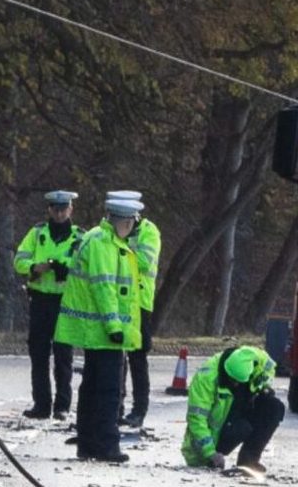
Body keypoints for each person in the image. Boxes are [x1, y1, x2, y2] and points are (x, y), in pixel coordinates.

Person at [54, 198, 144, 463]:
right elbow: (104, 288)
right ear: (125, 222)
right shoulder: (104, 244)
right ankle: (106, 445)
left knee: (92, 387)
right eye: (131, 225)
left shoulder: (100, 238)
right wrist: (114, 326)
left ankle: (88, 443)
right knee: (107, 390)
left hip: (94, 329)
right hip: (102, 331)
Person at [14, 190, 83, 420]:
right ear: (49, 210)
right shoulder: (37, 234)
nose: (60, 213)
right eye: (56, 209)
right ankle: (41, 404)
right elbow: (19, 261)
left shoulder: (79, 238)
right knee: (39, 354)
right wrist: (35, 266)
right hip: (41, 300)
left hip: (65, 303)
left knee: (64, 356)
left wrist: (66, 269)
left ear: (71, 210)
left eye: (64, 209)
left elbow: (86, 268)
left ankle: (62, 406)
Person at [181, 346, 284, 475]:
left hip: (241, 408)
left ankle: (248, 460)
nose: (236, 384)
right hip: (215, 437)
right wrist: (210, 453)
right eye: (233, 381)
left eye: (239, 382)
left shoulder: (256, 358)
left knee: (274, 407)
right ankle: (212, 457)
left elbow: (269, 369)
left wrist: (265, 386)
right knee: (243, 427)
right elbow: (197, 419)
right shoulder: (206, 378)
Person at [107, 190, 161, 428]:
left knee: (138, 358)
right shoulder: (110, 230)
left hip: (139, 304)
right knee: (115, 356)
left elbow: (143, 262)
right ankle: (115, 406)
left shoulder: (149, 232)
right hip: (116, 301)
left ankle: (139, 410)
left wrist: (120, 247)